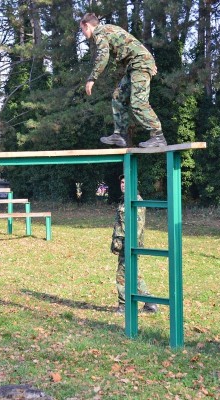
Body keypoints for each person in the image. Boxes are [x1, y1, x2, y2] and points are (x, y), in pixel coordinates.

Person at [79, 13, 168, 148]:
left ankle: (158, 136)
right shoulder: (109, 28)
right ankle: (120, 135)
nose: (83, 33)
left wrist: (92, 78)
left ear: (87, 25)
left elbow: (103, 56)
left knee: (138, 102)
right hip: (137, 64)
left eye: (82, 30)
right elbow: (132, 42)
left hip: (139, 64)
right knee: (118, 97)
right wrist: (149, 60)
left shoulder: (100, 33)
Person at [111, 175, 158, 314]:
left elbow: (137, 226)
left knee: (122, 275)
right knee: (132, 273)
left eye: (126, 182)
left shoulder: (136, 201)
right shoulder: (124, 201)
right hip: (123, 245)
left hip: (130, 245)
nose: (123, 184)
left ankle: (124, 306)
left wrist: (128, 245)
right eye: (122, 182)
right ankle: (150, 302)